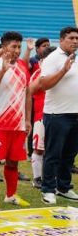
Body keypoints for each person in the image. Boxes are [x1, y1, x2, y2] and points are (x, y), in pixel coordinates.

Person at [0, 31, 31, 208]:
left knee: (13, 161)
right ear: (4, 47)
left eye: (19, 47)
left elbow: (27, 93)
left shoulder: (23, 67)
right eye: (13, 46)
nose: (17, 50)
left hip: (18, 124)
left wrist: (27, 119)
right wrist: (3, 70)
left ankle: (11, 195)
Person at [40, 27, 78, 204]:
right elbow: (44, 84)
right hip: (57, 114)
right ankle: (48, 189)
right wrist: (63, 70)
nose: (75, 41)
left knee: (69, 155)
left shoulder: (77, 57)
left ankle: (63, 187)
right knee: (53, 154)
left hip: (75, 113)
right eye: (71, 38)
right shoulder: (52, 58)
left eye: (77, 38)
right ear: (62, 40)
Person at [29, 46, 56, 189]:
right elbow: (30, 91)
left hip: (59, 115)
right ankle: (37, 178)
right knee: (39, 148)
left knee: (55, 149)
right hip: (41, 116)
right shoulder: (39, 73)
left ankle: (52, 178)